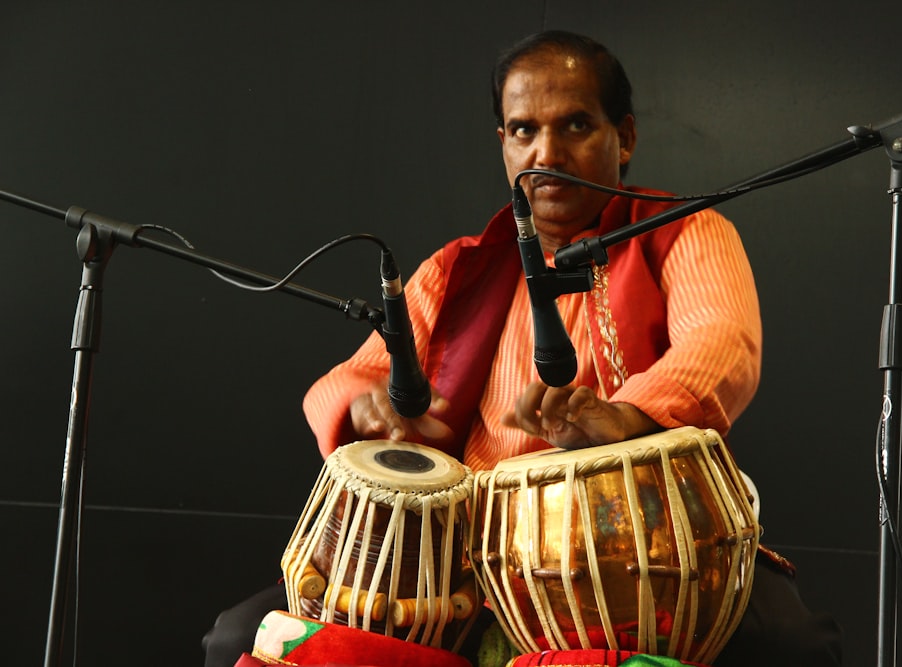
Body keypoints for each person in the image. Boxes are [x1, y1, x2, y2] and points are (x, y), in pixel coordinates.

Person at [204, 30, 842, 667]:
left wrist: (625, 417)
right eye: (522, 130)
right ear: (502, 143)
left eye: (575, 125)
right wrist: (367, 411)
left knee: (794, 648)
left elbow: (722, 345)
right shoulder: (457, 269)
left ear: (625, 137)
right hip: (467, 558)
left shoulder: (684, 233)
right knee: (239, 636)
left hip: (640, 549)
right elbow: (352, 378)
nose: (547, 152)